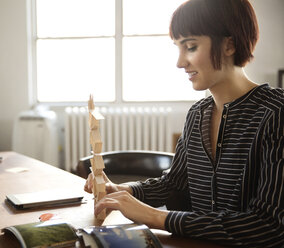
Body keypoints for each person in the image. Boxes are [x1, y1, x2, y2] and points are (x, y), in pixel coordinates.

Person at [84, 0, 284, 247]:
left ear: (229, 45)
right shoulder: (198, 113)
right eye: (178, 48)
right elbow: (175, 183)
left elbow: (269, 226)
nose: (180, 62)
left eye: (190, 47)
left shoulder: (276, 113)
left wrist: (156, 217)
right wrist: (124, 191)